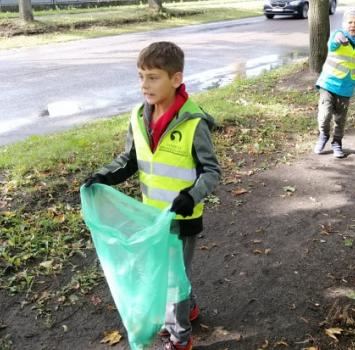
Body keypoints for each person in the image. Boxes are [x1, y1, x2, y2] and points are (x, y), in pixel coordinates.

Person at [84, 41, 221, 350]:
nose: (144, 84)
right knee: (171, 275)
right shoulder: (137, 117)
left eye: (153, 77)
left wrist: (192, 196)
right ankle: (191, 309)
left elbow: (211, 172)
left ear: (175, 79)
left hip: (182, 219)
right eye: (140, 76)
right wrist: (104, 175)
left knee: (173, 283)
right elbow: (130, 160)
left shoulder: (194, 123)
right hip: (152, 219)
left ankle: (180, 338)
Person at [313, 8, 355, 158]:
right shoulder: (338, 36)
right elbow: (333, 43)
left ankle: (337, 143)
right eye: (350, 22)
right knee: (324, 116)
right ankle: (323, 136)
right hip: (328, 84)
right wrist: (338, 37)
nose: (353, 25)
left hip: (345, 89)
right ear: (345, 24)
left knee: (340, 120)